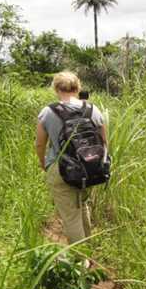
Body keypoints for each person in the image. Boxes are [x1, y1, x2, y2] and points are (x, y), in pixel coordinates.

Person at [36, 71, 108, 244]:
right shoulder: (92, 109)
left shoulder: (48, 112)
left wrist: (44, 164)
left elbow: (39, 144)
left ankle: (81, 259)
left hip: (61, 168)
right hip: (88, 166)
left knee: (70, 216)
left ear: (55, 88)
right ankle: (88, 248)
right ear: (78, 87)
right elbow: (104, 141)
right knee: (81, 206)